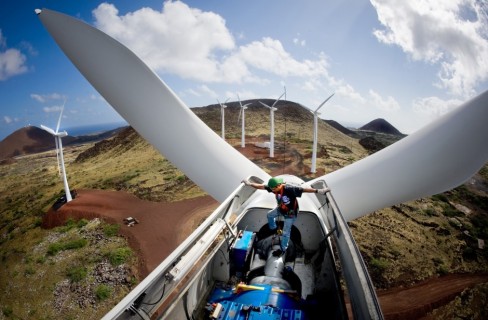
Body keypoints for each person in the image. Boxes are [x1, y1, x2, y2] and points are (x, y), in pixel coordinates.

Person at [242, 177, 330, 256]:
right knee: (270, 215)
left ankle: (283, 249)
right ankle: (273, 228)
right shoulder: (274, 188)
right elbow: (261, 186)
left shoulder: (289, 189)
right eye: (272, 189)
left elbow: (304, 189)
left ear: (280, 185)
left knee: (286, 232)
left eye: (274, 188)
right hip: (281, 209)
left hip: (290, 214)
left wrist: (318, 191)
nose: (273, 190)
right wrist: (249, 184)